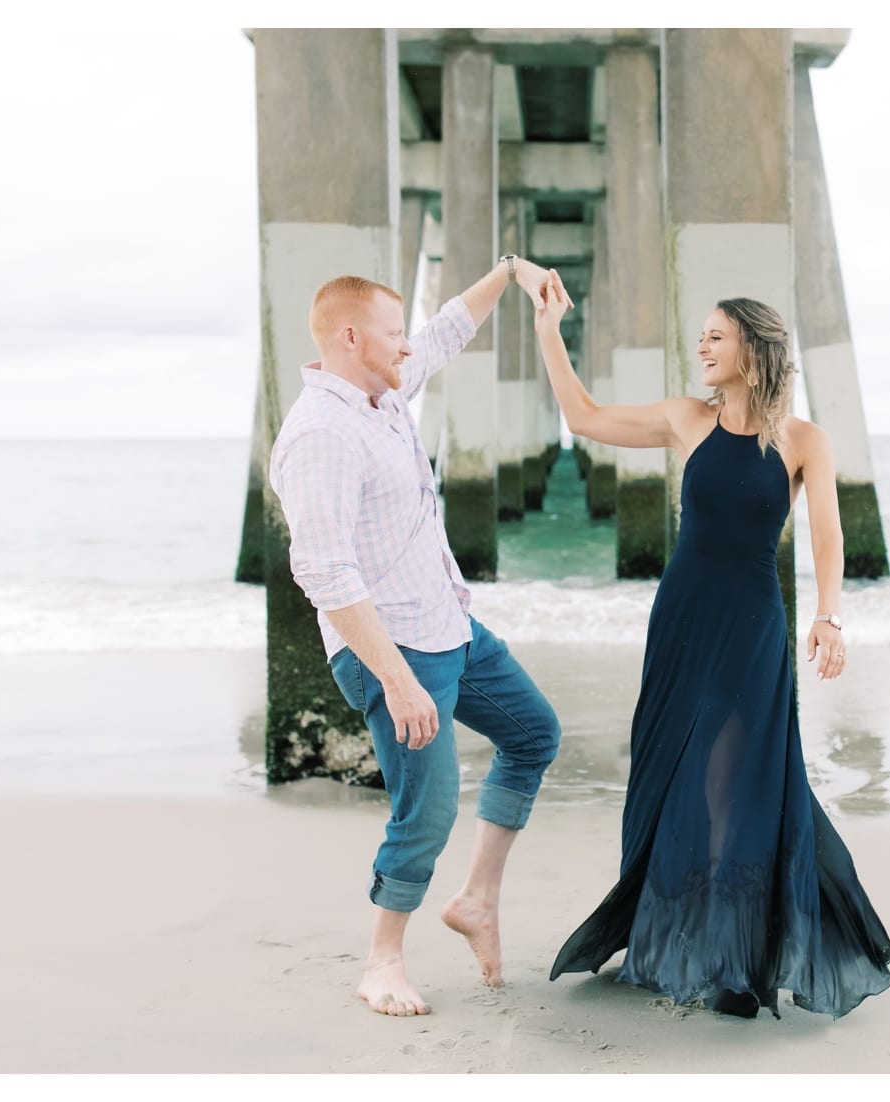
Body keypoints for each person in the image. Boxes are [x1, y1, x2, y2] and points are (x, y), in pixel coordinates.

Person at [535, 273, 890, 1019]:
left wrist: (829, 616)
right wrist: (549, 333)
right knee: (669, 770)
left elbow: (827, 536)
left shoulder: (803, 440)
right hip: (683, 617)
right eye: (700, 336)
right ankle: (665, 931)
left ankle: (738, 958)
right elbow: (586, 414)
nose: (701, 345)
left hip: (753, 622)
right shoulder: (684, 419)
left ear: (752, 349)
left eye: (716, 336)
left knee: (739, 775)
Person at [269, 256, 566, 1018]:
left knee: (534, 733)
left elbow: (441, 336)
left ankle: (476, 900)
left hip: (449, 626)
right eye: (391, 333)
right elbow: (325, 573)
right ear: (348, 337)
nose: (407, 346)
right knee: (427, 809)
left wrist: (509, 273)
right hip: (391, 650)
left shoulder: (382, 394)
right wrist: (397, 680)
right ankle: (382, 961)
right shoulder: (322, 434)